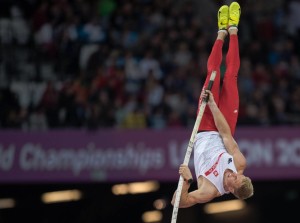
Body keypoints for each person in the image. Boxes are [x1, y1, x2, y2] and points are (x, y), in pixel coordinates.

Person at [171, 2, 254, 208]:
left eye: (236, 178)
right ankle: (231, 29)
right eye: (240, 175)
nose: (237, 173)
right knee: (230, 77)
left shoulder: (210, 190)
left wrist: (186, 182)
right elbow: (226, 136)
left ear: (232, 189)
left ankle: (219, 33)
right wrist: (214, 106)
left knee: (212, 75)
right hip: (223, 123)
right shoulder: (239, 164)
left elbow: (178, 203)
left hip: (205, 127)